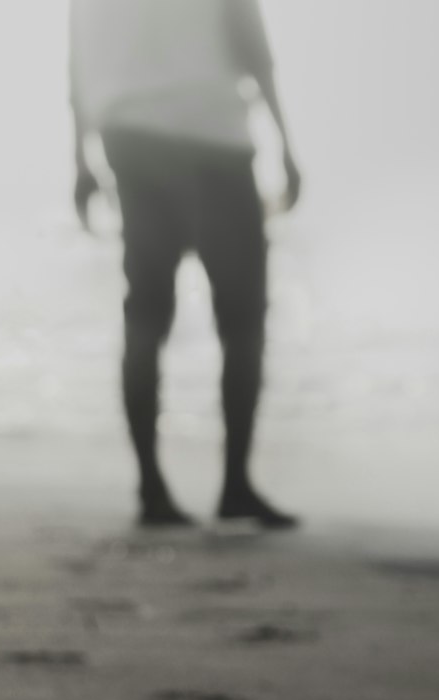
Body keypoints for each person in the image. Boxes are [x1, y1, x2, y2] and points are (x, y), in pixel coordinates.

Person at [68, 0, 302, 528]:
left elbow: (78, 61)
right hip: (211, 135)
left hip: (130, 136)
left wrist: (79, 158)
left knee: (146, 317)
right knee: (242, 321)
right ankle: (235, 485)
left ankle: (151, 490)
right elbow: (253, 46)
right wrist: (286, 144)